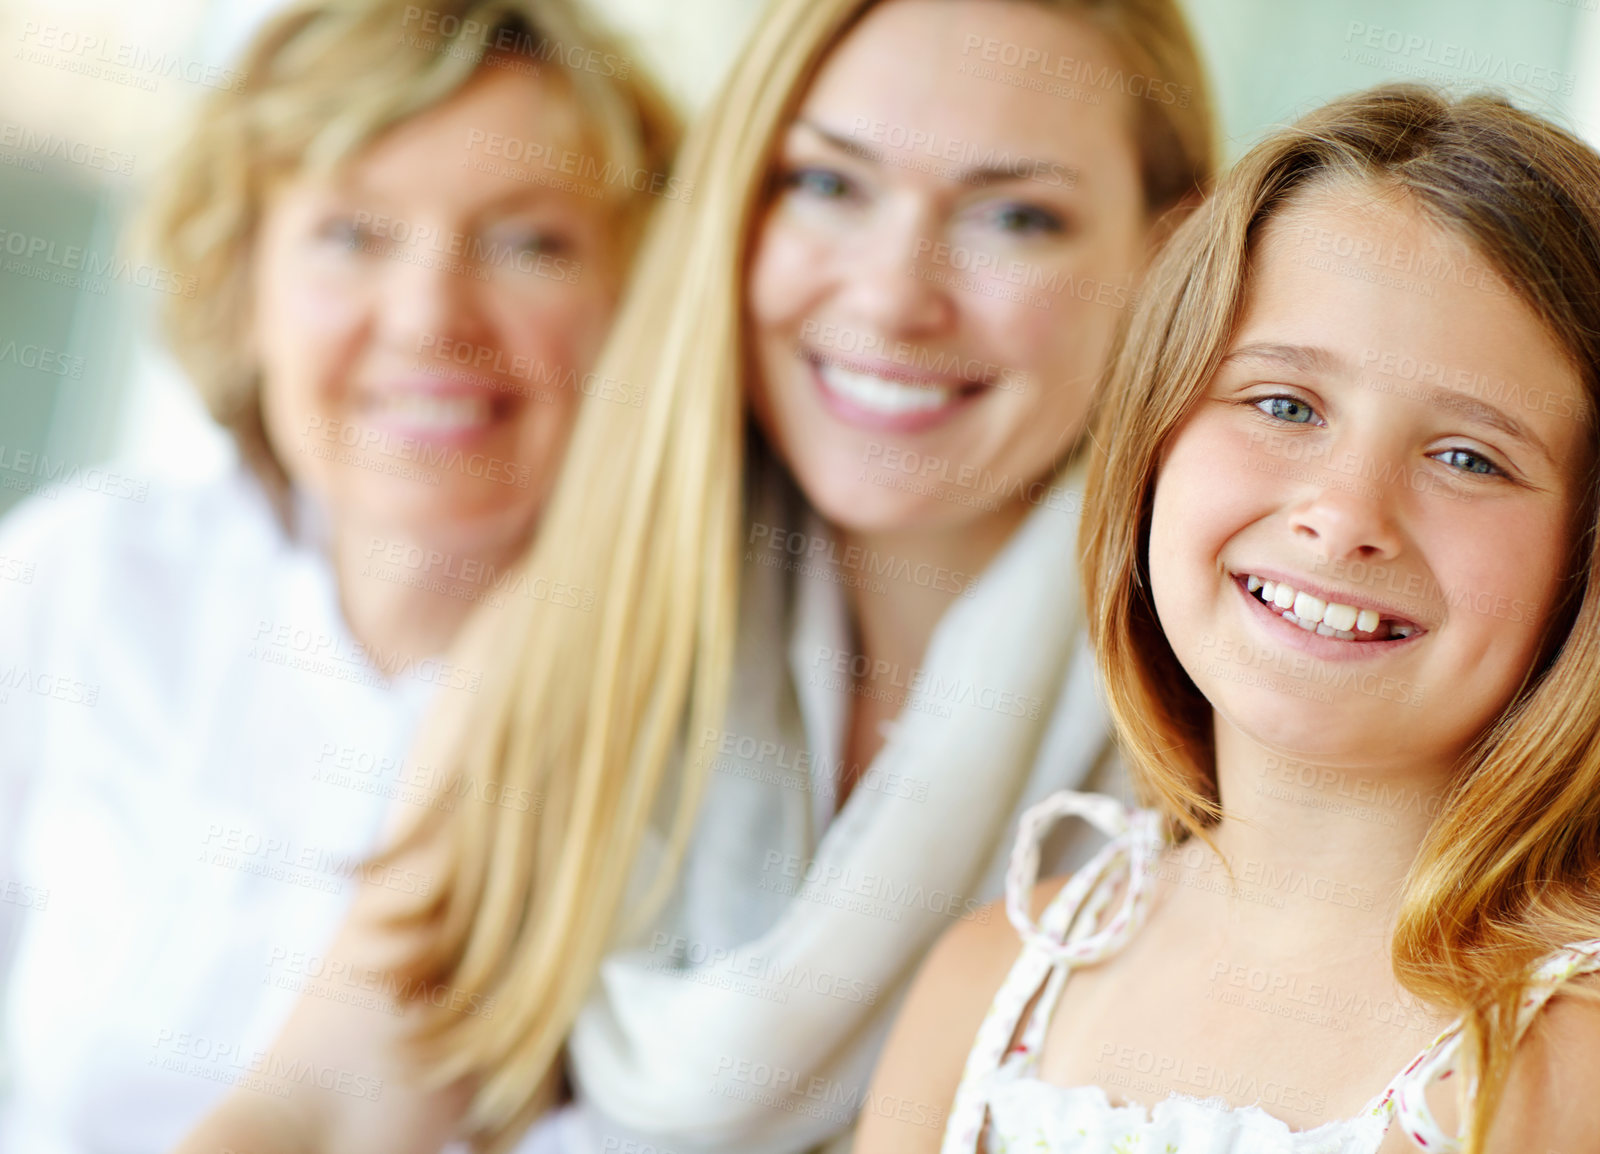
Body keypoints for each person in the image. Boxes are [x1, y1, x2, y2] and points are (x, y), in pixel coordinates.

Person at [174, 0, 1216, 1150]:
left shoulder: (1227, 704)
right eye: (828, 185)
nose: (889, 297)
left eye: (1016, 215)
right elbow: (330, 1102)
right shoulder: (587, 614)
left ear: (1167, 253)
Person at [858, 83, 1600, 1154]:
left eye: (1468, 457)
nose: (1344, 515)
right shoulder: (994, 979)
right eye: (1283, 404)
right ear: (1150, 440)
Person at [0, 1, 678, 1150]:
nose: (427, 317)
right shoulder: (89, 577)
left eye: (528, 242)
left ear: (642, 300)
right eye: (352, 236)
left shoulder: (711, 674)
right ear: (240, 282)